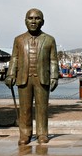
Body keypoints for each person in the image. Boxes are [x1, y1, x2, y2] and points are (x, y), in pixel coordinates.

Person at [5, 8, 59, 145]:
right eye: (30, 18)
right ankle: (25, 134)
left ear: (43, 22)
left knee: (42, 107)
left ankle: (42, 134)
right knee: (25, 108)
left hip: (42, 78)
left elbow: (53, 60)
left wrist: (54, 77)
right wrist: (10, 74)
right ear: (25, 21)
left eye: (37, 18)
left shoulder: (49, 40)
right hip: (24, 78)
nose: (33, 21)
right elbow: (14, 58)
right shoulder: (18, 40)